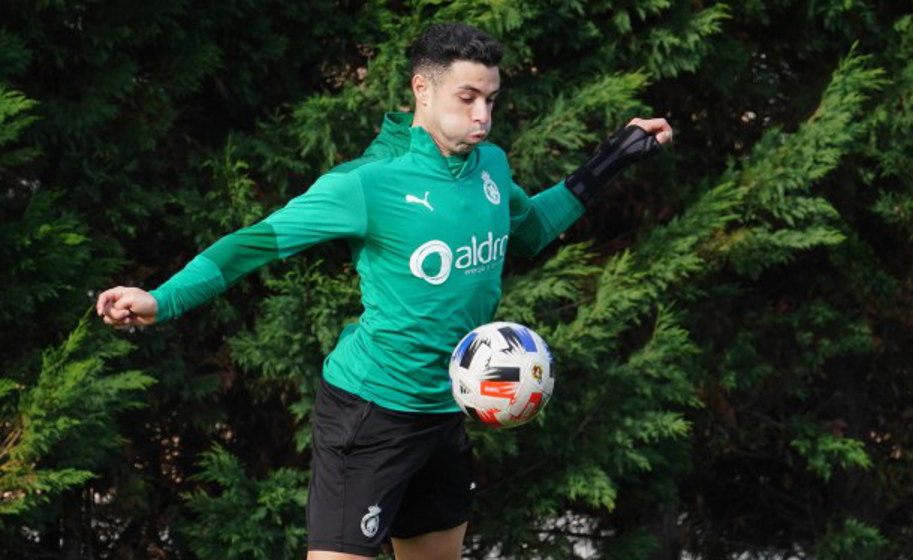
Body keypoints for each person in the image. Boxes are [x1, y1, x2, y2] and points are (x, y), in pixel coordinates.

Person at [97, 23, 673, 560]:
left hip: (445, 412)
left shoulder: (491, 167)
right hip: (369, 415)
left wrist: (614, 156)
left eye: (490, 100)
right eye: (467, 98)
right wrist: (161, 298)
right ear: (423, 89)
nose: (483, 116)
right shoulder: (368, 183)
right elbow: (253, 244)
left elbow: (533, 230)